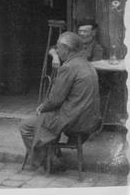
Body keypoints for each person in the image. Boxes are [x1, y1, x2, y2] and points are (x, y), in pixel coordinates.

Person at [19, 31, 101, 171]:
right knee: (47, 118)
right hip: (90, 118)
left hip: (75, 119)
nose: (57, 50)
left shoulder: (68, 67)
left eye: (58, 47)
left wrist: (42, 107)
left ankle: (47, 161)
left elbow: (55, 99)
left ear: (67, 49)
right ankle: (52, 153)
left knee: (25, 126)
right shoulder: (87, 64)